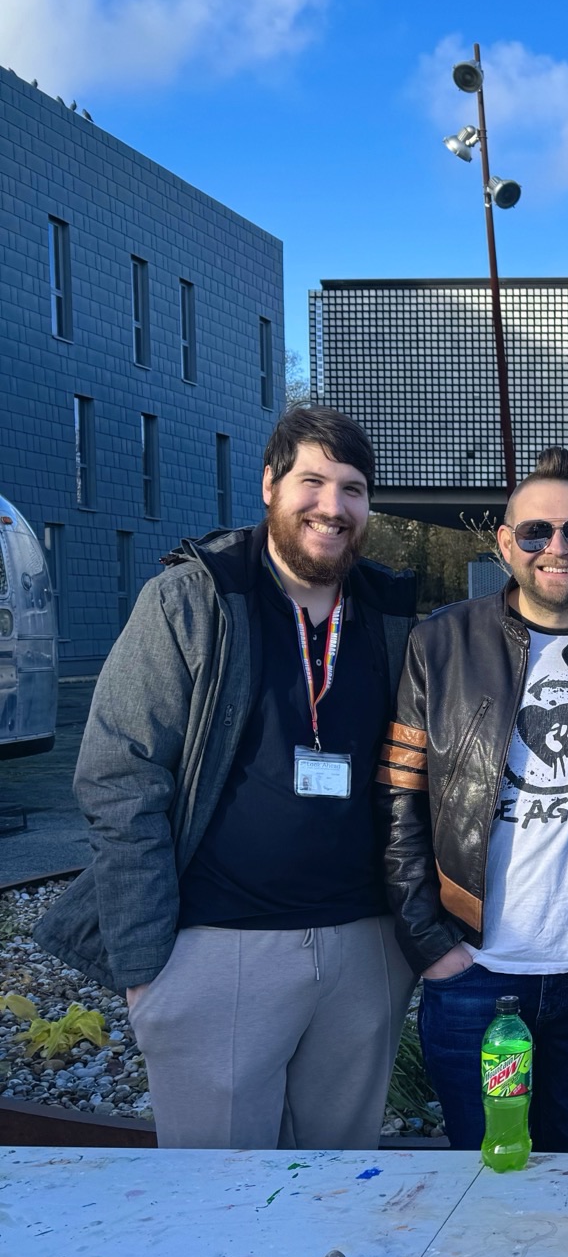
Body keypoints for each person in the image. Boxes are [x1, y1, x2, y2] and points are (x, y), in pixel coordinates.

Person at [37, 408, 417, 1150]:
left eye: (353, 489)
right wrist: (147, 966)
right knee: (217, 1204)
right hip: (219, 948)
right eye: (312, 482)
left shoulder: (388, 611)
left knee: (342, 1187)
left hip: (365, 953)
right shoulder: (195, 599)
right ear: (270, 483)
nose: (332, 508)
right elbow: (119, 775)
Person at [382, 445, 568, 1154]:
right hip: (478, 977)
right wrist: (431, 944)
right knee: (488, 1172)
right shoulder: (441, 644)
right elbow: (398, 806)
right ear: (506, 543)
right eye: (536, 532)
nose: (558, 548)